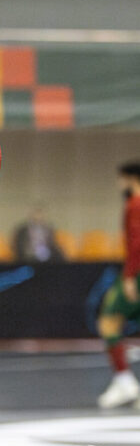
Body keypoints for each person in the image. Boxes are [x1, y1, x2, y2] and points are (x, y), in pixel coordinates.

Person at [94, 161, 140, 408]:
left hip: (137, 273)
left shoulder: (134, 204)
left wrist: (131, 276)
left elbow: (136, 243)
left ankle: (125, 381)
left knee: (109, 321)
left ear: (130, 178)